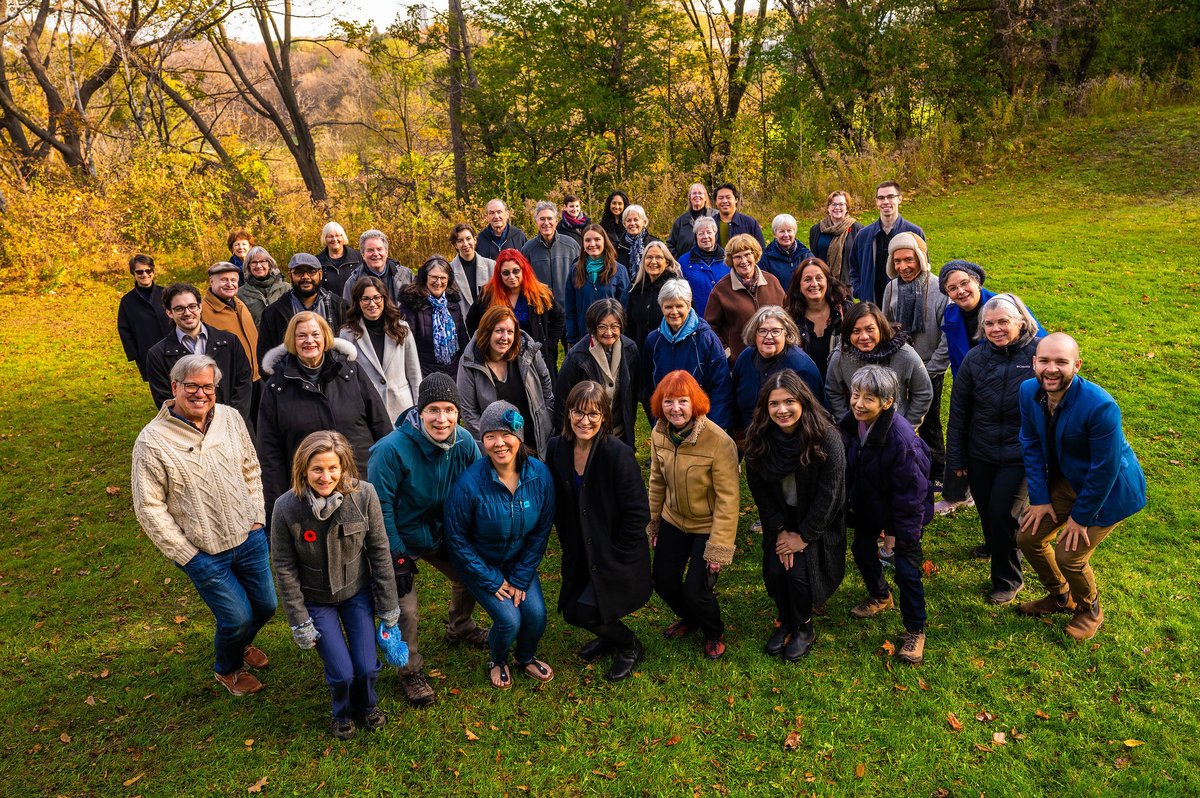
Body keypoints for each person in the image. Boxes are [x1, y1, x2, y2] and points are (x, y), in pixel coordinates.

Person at [132, 354, 276, 696]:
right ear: (175, 387)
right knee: (236, 617)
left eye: (208, 386)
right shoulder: (152, 441)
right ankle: (228, 669)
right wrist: (187, 554)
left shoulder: (230, 418)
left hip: (249, 537)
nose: (200, 393)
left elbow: (250, 468)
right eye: (192, 386)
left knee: (266, 606)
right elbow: (149, 507)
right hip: (203, 552)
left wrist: (257, 516)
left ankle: (239, 644)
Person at [367, 374, 489, 708]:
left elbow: (477, 490)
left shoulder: (464, 443)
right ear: (419, 412)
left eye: (449, 410)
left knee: (470, 573)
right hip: (399, 538)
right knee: (406, 609)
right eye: (433, 410)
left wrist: (472, 536)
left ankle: (460, 626)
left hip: (440, 532)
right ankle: (410, 671)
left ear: (458, 413)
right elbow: (380, 509)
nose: (442, 419)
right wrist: (396, 556)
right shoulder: (389, 450)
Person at [1015, 333, 1147, 641]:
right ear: (1034, 362)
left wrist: (1080, 517)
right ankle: (1061, 596)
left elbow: (1105, 469)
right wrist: (1040, 498)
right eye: (1045, 361)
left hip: (1110, 490)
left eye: (1061, 362)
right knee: (1028, 537)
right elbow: (1030, 442)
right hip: (1068, 479)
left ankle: (1090, 609)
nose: (1051, 369)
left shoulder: (1100, 406)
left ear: (1077, 365)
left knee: (1069, 556)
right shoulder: (1027, 391)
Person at [270, 431, 400, 739]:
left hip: (356, 594)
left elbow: (380, 552)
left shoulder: (364, 495)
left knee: (366, 668)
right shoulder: (286, 508)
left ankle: (368, 705)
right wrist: (299, 621)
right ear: (303, 469)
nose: (325, 477)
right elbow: (284, 567)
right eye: (317, 469)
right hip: (316, 601)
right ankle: (342, 713)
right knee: (342, 674)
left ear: (344, 468)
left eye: (332, 468)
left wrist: (388, 605)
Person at [444, 401, 556, 689]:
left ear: (519, 437)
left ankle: (525, 657)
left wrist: (522, 574)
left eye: (506, 435)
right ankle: (498, 660)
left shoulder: (540, 475)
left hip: (518, 560)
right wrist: (491, 579)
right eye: (490, 436)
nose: (499, 443)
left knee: (536, 615)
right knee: (509, 621)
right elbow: (456, 538)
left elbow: (541, 530)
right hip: (481, 563)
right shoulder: (469, 484)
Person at [546, 382, 651, 681]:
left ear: (604, 416)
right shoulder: (557, 448)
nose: (585, 420)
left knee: (583, 612)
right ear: (568, 414)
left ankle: (629, 645)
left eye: (593, 414)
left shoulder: (618, 454)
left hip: (614, 552)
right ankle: (608, 636)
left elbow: (638, 512)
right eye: (578, 412)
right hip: (580, 550)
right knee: (570, 609)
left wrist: (617, 552)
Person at [946, 294, 1041, 604]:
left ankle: (1008, 579)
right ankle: (994, 545)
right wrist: (956, 457)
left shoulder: (1039, 355)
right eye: (989, 324)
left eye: (1003, 322)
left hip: (1020, 453)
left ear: (1021, 322)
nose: (996, 329)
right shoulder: (975, 359)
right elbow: (959, 411)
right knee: (987, 509)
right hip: (981, 450)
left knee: (1003, 514)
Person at [744, 371, 846, 661]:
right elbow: (760, 491)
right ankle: (786, 620)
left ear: (803, 402)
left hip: (816, 520)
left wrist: (804, 537)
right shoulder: (759, 437)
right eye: (774, 403)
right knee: (776, 571)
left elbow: (830, 495)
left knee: (800, 575)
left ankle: (804, 627)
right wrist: (779, 530)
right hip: (782, 518)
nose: (782, 410)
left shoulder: (826, 438)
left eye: (789, 401)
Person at [838, 365, 933, 665]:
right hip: (869, 504)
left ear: (888, 402)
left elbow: (911, 497)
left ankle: (915, 629)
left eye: (869, 398)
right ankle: (880, 596)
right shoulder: (851, 424)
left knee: (907, 570)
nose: (858, 403)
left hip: (904, 515)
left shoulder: (902, 441)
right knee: (861, 550)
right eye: (855, 394)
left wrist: (894, 532)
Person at [938, 259, 1047, 520]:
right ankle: (957, 494)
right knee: (964, 427)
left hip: (1012, 391)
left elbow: (1038, 344)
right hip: (976, 383)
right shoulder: (951, 315)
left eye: (964, 283)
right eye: (952, 288)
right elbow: (957, 357)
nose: (960, 291)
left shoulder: (1003, 307)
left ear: (977, 282)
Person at [258, 312, 392, 515]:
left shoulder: (350, 372)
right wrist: (277, 507)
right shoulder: (277, 386)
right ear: (292, 341)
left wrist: (390, 478)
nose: (309, 340)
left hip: (360, 482)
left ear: (325, 337)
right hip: (308, 493)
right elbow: (269, 453)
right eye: (301, 335)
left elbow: (381, 425)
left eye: (315, 334)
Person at [648, 370, 740, 660]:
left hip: (706, 525)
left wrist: (718, 548)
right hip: (673, 519)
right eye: (668, 401)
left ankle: (714, 631)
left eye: (682, 401)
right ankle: (691, 619)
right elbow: (656, 481)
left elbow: (728, 499)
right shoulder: (658, 433)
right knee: (663, 581)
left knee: (696, 590)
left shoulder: (719, 442)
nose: (675, 408)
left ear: (695, 403)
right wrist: (654, 523)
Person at [880, 233, 950, 498]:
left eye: (908, 260)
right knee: (899, 416)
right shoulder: (891, 288)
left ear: (920, 258)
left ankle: (938, 471)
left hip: (930, 366)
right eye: (897, 261)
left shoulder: (939, 289)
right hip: (898, 365)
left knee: (930, 421)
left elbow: (947, 336)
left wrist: (932, 369)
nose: (903, 266)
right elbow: (885, 325)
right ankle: (903, 463)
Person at [145, 282, 253, 426]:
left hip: (234, 426)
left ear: (200, 307)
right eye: (179, 309)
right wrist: (197, 427)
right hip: (188, 432)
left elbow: (243, 384)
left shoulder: (230, 342)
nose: (187, 313)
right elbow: (165, 400)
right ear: (169, 313)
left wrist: (229, 422)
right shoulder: (157, 355)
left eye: (192, 306)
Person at [457, 305, 555, 459]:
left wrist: (546, 416)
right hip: (499, 448)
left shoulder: (527, 351)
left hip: (535, 440)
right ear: (487, 332)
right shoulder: (470, 362)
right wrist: (491, 445)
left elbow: (545, 384)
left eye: (510, 332)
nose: (505, 337)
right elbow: (468, 412)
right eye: (499, 331)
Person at [642, 279, 733, 429]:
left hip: (702, 422)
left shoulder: (706, 339)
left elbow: (721, 386)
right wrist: (656, 421)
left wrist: (715, 427)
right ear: (661, 308)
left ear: (689, 305)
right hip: (666, 421)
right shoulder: (653, 341)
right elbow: (648, 387)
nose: (674, 312)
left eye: (679, 306)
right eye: (668, 307)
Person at [825, 302, 932, 429]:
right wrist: (846, 422)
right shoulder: (841, 357)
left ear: (881, 327)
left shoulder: (904, 354)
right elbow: (833, 391)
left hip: (894, 428)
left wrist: (907, 425)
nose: (864, 337)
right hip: (857, 429)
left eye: (870, 329)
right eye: (856, 331)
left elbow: (923, 392)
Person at [555, 299, 641, 449]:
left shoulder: (630, 350)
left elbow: (632, 397)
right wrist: (568, 440)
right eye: (602, 327)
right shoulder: (577, 356)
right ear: (592, 327)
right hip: (586, 436)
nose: (609, 332)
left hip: (620, 434)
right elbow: (562, 401)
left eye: (615, 326)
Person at [730, 307, 821, 449]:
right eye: (762, 331)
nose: (768, 336)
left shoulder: (801, 367)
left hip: (791, 444)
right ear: (754, 333)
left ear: (787, 333)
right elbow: (733, 398)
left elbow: (813, 416)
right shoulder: (746, 357)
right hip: (751, 442)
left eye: (775, 331)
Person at [467, 249, 565, 380]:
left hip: (534, 358)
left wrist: (549, 344)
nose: (511, 277)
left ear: (523, 270)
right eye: (506, 273)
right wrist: (485, 344)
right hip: (501, 358)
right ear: (499, 275)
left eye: (516, 271)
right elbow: (471, 321)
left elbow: (559, 316)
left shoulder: (538, 293)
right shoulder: (488, 295)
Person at [341, 276, 422, 426]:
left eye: (377, 298)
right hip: (368, 412)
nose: (372, 304)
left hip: (403, 411)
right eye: (365, 299)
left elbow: (414, 375)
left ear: (384, 299)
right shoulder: (348, 334)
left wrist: (419, 410)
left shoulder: (402, 329)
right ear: (358, 302)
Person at [704, 234, 787, 362]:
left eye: (747, 254)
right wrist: (728, 353)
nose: (743, 261)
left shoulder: (772, 281)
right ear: (731, 260)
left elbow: (787, 315)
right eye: (737, 257)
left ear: (755, 255)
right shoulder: (721, 290)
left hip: (776, 358)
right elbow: (711, 327)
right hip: (741, 362)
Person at [257, 254, 347, 370]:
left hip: (333, 375)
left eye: (311, 272)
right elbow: (264, 354)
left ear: (320, 274)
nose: (306, 277)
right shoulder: (274, 312)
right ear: (290, 275)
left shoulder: (339, 306)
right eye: (299, 272)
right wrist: (278, 378)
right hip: (289, 377)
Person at [850, 180, 925, 304]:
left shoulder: (914, 233)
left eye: (890, 197)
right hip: (871, 303)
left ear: (899, 199)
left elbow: (923, 268)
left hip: (903, 302)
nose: (885, 202)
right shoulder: (863, 235)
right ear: (876, 202)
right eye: (881, 198)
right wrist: (860, 291)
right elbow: (854, 267)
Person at [399, 256, 471, 379]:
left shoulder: (453, 305)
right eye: (434, 277)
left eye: (443, 278)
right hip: (425, 377)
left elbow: (463, 342)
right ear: (424, 277)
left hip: (454, 376)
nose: (438, 282)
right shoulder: (411, 305)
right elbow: (406, 349)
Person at [784, 257, 853, 382]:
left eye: (819, 278)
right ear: (799, 285)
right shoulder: (789, 320)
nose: (814, 284)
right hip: (805, 386)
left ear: (828, 281)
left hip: (843, 386)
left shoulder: (846, 311)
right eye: (807, 279)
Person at [566, 224, 630, 346]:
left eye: (597, 239)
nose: (592, 244)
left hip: (611, 336)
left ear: (605, 242)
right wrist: (572, 338)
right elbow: (570, 308)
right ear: (583, 244)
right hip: (584, 337)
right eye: (587, 240)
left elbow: (624, 308)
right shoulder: (575, 270)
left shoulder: (619, 270)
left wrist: (621, 335)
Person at [203, 261, 261, 384]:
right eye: (224, 280)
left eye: (233, 280)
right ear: (212, 282)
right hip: (228, 382)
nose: (230, 284)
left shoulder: (240, 304)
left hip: (255, 378)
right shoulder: (202, 311)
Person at [117, 254, 172, 382]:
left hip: (174, 350)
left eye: (148, 270)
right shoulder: (127, 301)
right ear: (133, 273)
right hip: (148, 355)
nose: (144, 274)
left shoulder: (166, 294)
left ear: (153, 271)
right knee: (159, 389)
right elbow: (124, 329)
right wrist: (136, 355)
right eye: (139, 271)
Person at [626, 240, 683, 353]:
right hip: (641, 354)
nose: (653, 261)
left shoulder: (676, 289)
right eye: (649, 257)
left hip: (669, 353)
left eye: (659, 257)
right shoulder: (636, 290)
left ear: (667, 262)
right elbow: (629, 326)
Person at [521, 200, 580, 308]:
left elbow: (581, 277)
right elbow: (524, 281)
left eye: (550, 218)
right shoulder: (528, 249)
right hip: (540, 309)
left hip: (568, 309)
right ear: (536, 222)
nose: (546, 223)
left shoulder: (571, 246)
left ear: (556, 221)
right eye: (542, 219)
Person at [341, 230, 413, 305]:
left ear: (386, 252)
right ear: (363, 255)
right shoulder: (353, 283)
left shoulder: (406, 275)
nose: (375, 254)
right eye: (370, 250)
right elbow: (348, 311)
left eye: (379, 249)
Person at [808, 191, 862, 286]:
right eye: (833, 204)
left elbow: (861, 260)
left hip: (848, 285)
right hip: (822, 283)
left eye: (841, 204)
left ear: (847, 208)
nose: (837, 208)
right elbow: (814, 256)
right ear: (828, 208)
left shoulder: (858, 230)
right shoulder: (816, 229)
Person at [677, 216, 727, 315]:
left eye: (709, 232)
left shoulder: (728, 258)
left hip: (725, 315)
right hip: (696, 316)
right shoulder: (684, 261)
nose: (705, 236)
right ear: (696, 237)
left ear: (715, 234)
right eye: (701, 233)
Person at [448, 223, 496, 314]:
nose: (465, 244)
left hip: (488, 319)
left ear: (475, 240)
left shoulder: (492, 266)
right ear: (455, 245)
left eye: (468, 238)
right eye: (460, 241)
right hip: (462, 320)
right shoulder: (449, 270)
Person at [237, 246, 291, 326]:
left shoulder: (286, 288)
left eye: (262, 261)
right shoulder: (240, 294)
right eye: (254, 262)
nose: (258, 266)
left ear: (269, 264)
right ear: (248, 266)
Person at [759, 214, 813, 288]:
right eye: (782, 231)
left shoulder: (806, 254)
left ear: (794, 232)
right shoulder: (766, 258)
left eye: (789, 231)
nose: (786, 235)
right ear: (775, 234)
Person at [666, 182, 717, 257]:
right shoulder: (680, 221)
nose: (697, 195)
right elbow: (670, 245)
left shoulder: (715, 216)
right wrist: (678, 261)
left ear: (705, 197)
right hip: (686, 263)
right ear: (690, 198)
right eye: (694, 193)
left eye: (700, 193)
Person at [615, 204, 661, 283]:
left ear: (644, 222)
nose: (632, 223)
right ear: (624, 224)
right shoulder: (617, 246)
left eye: (636, 220)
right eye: (629, 220)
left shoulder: (655, 244)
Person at [315, 221, 362, 296]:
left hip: (354, 302)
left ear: (343, 237)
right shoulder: (317, 262)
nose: (334, 239)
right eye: (330, 236)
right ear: (325, 238)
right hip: (328, 303)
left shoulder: (358, 258)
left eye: (337, 236)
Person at [712, 183, 765, 249]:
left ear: (736, 200)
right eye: (721, 198)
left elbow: (761, 250)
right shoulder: (710, 224)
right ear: (716, 202)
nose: (725, 201)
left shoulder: (750, 223)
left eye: (728, 197)